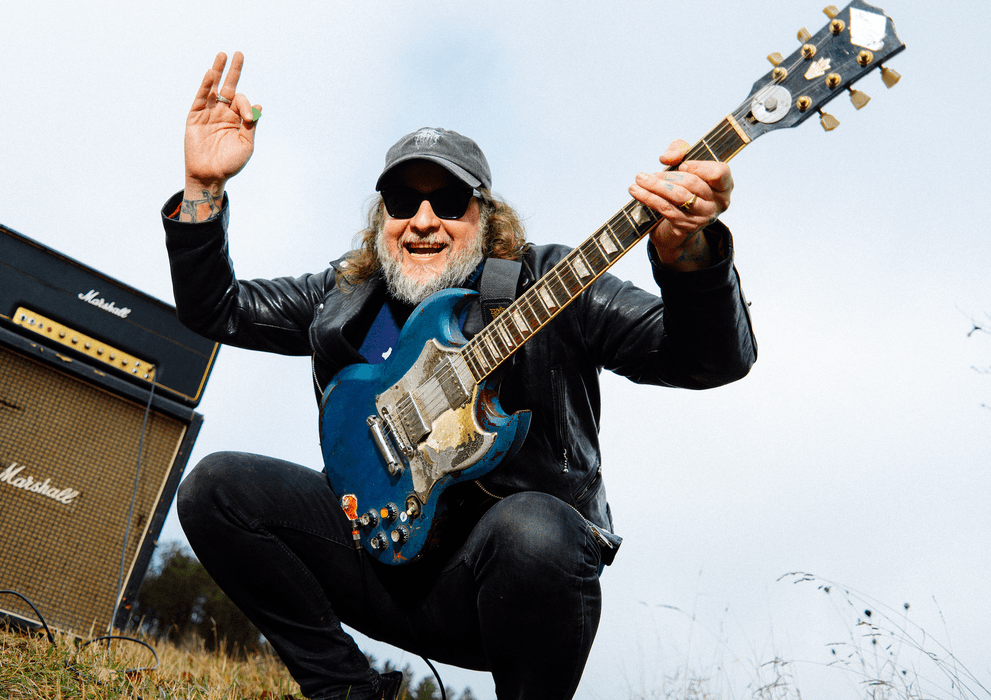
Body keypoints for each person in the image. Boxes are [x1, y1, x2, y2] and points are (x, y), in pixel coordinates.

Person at [163, 52, 756, 700]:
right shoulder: (343, 293)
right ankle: (345, 690)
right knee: (215, 486)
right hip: (376, 557)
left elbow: (708, 360)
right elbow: (216, 309)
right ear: (381, 216)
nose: (422, 220)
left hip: (502, 586)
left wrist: (690, 255)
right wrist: (203, 189)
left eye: (447, 201)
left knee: (534, 527)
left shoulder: (549, 283)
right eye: (401, 200)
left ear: (484, 214)